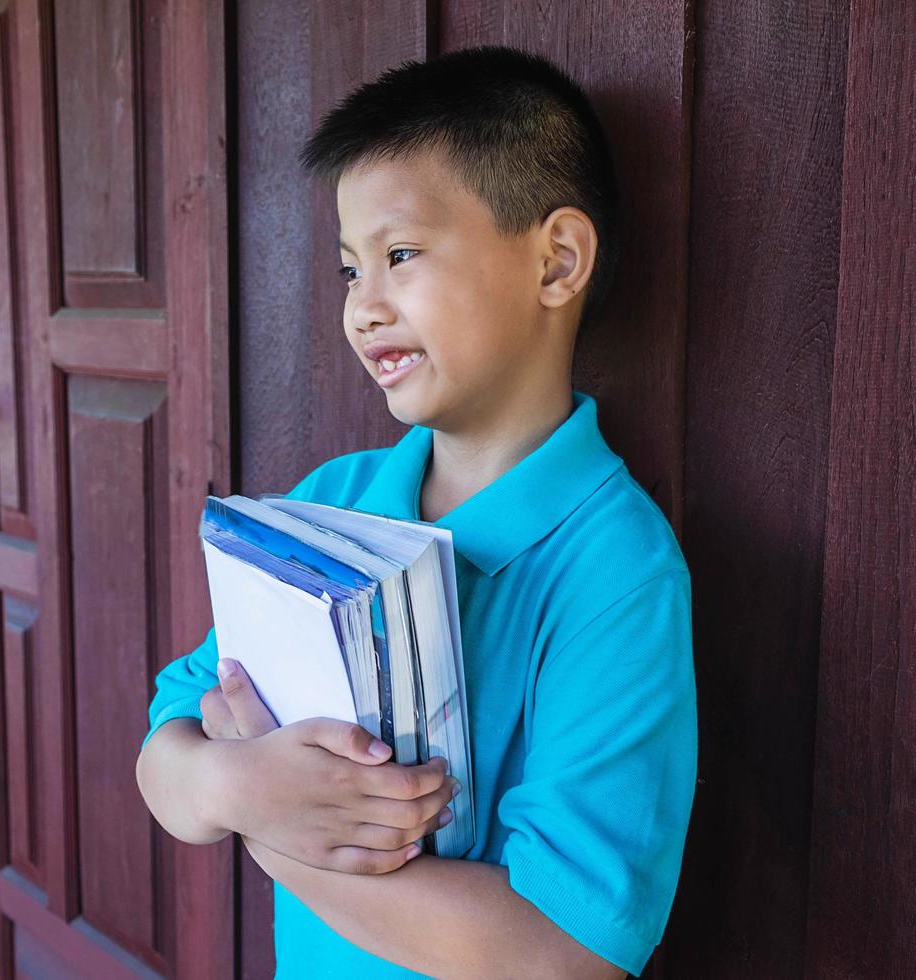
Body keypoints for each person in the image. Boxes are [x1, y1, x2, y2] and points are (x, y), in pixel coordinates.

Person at [136, 44, 697, 979]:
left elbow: (565, 954)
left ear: (556, 261)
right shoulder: (329, 504)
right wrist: (230, 782)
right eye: (351, 269)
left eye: (400, 255)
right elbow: (169, 744)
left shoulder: (616, 571)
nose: (363, 307)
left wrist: (277, 840)